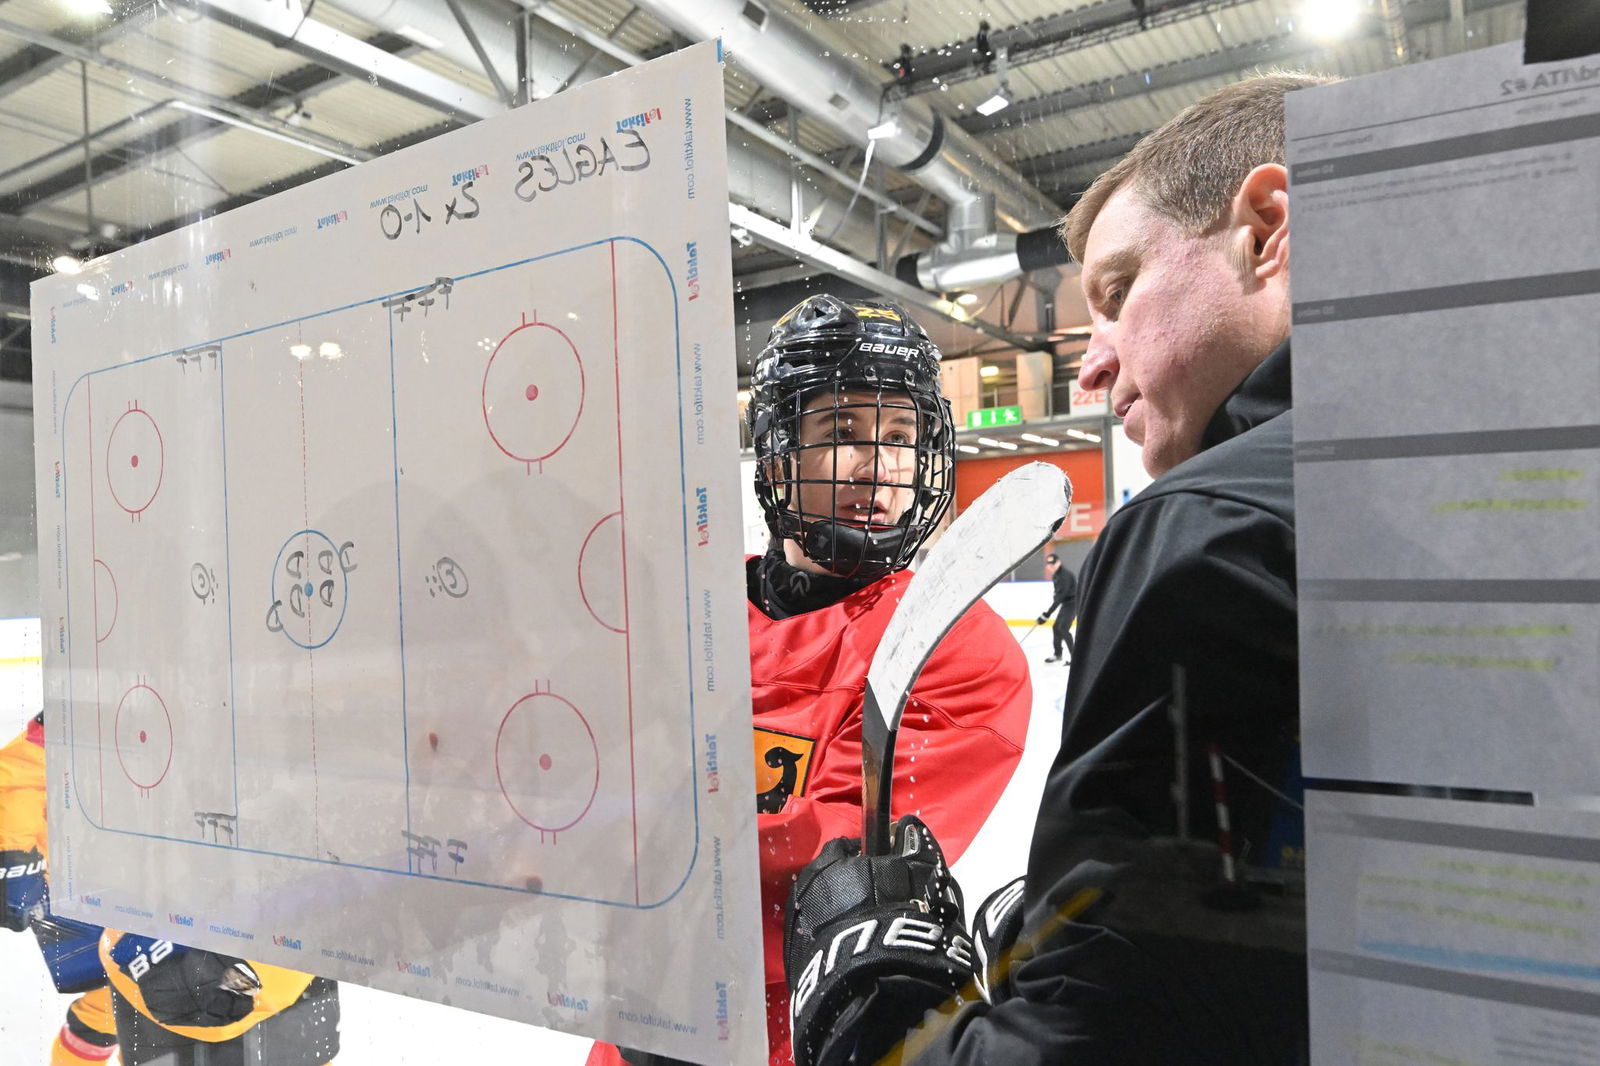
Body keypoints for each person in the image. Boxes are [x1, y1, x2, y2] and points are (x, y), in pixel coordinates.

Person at [783, 71, 1331, 1066]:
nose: (1090, 362)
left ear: (1266, 228)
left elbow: (1087, 1051)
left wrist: (875, 1017)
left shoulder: (1207, 527)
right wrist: (1072, 935)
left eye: (1117, 294)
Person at [589, 295, 1032, 1066]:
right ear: (777, 454)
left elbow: (827, 886)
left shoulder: (954, 648)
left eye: (902, 435)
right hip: (633, 1027)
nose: (881, 464)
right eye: (842, 432)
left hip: (786, 1042)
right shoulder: (678, 616)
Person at [1, 711, 120, 1065]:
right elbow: (20, 773)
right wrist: (14, 852)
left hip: (226, 896)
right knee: (114, 1010)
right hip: (101, 888)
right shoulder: (99, 683)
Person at [1036, 553, 1076, 664]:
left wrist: (1047, 614)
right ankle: (1058, 654)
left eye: (1053, 564)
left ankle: (1075, 658)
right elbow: (1058, 596)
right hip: (1065, 604)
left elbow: (1060, 597)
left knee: (1063, 629)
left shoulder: (1065, 576)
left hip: (1073, 604)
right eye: (1049, 564)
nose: (1051, 566)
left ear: (1058, 562)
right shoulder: (1056, 575)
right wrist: (1047, 614)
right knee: (1056, 628)